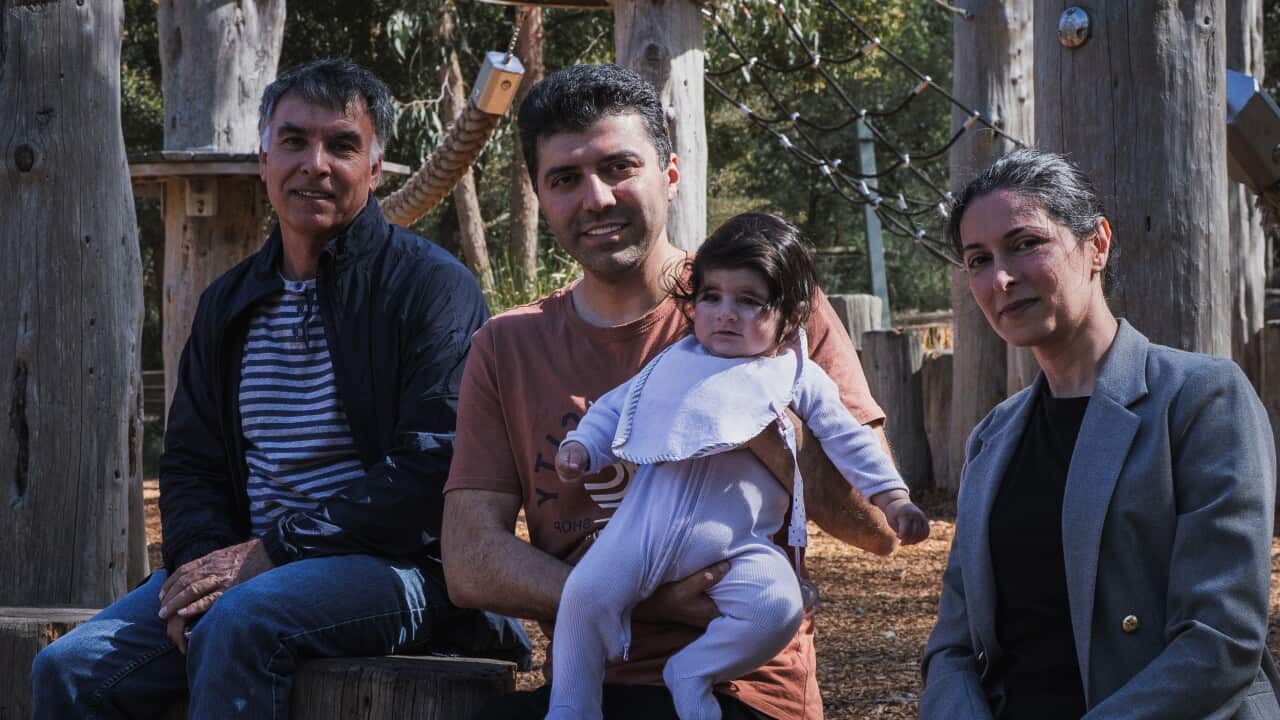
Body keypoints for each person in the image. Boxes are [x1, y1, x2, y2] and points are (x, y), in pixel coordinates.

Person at [31, 58, 526, 719]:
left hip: (403, 569)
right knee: (67, 669)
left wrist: (273, 553)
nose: (315, 164)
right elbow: (191, 462)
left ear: (375, 170)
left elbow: (433, 464)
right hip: (251, 564)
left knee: (243, 620)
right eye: (294, 141)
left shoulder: (430, 289)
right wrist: (202, 569)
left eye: (342, 145)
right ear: (265, 158)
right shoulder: (230, 303)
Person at [442, 63, 925, 720]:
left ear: (670, 175)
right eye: (565, 179)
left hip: (744, 689)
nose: (597, 198)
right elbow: (470, 559)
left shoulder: (772, 307)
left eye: (619, 167)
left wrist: (751, 417)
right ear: (540, 194)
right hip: (594, 685)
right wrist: (631, 597)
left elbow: (877, 531)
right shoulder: (507, 345)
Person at [920, 148, 1280, 719]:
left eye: (1025, 244)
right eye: (977, 260)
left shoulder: (1201, 399)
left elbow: (1221, 641)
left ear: (1097, 244)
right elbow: (956, 647)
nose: (1002, 278)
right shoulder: (992, 437)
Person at [547, 212, 927, 720]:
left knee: (780, 607)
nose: (726, 313)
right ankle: (571, 707)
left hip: (737, 546)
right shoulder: (673, 362)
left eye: (749, 301)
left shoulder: (796, 375)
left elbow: (847, 437)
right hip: (640, 534)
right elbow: (616, 408)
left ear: (790, 317)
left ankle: (694, 669)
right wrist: (583, 447)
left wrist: (892, 497)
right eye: (711, 296)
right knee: (582, 597)